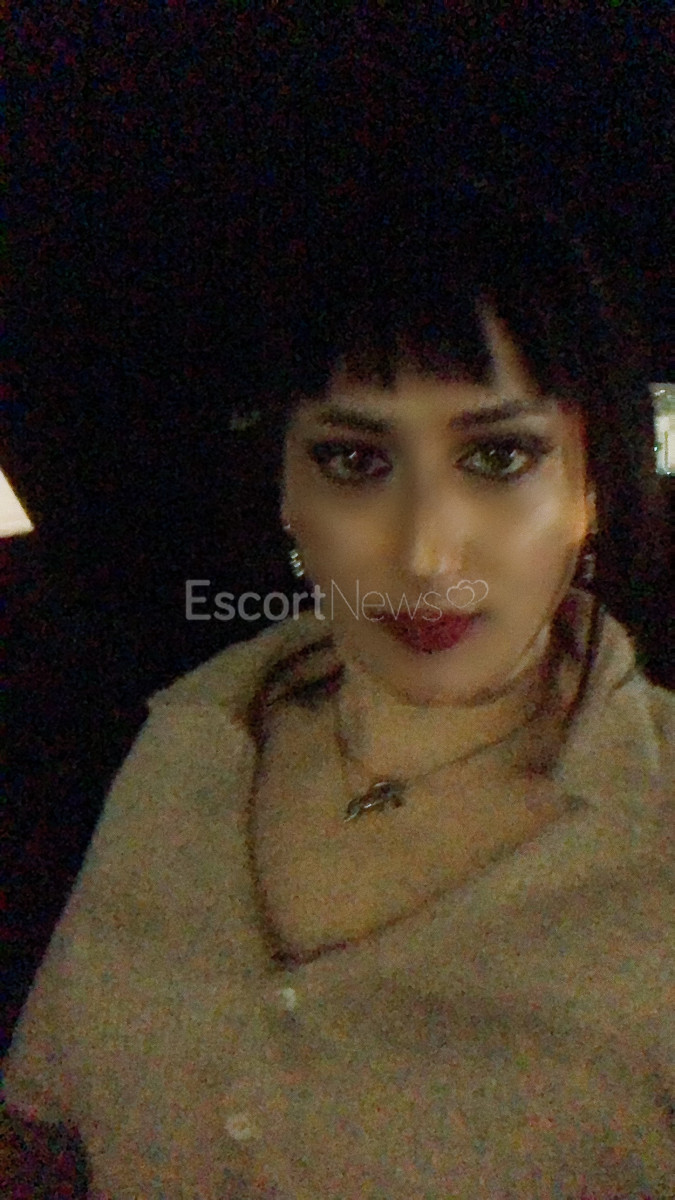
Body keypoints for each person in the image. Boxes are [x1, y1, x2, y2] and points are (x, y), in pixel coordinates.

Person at [2, 187, 674, 1198]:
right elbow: (43, 1127)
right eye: (353, 460)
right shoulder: (190, 735)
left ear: (590, 492)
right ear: (287, 490)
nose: (425, 552)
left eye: (498, 455)